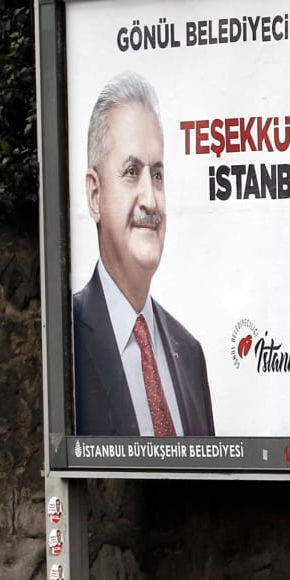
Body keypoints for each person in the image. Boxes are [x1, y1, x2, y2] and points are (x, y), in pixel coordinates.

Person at [72, 72, 215, 436]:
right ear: (94, 195)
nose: (150, 200)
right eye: (131, 172)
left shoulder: (190, 354)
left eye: (158, 175)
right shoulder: (65, 338)